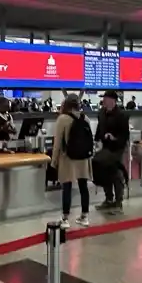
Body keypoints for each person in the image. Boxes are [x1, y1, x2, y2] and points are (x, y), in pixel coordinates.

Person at [52, 94, 93, 227]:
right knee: (83, 187)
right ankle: (85, 216)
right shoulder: (85, 118)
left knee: (67, 187)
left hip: (67, 158)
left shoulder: (62, 119)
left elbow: (57, 143)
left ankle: (65, 218)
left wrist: (54, 161)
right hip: (83, 158)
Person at [93, 90, 129, 211]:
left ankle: (118, 200)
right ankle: (109, 198)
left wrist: (115, 138)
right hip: (105, 147)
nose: (104, 101)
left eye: (106, 99)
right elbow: (100, 128)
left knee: (114, 171)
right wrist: (96, 139)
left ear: (113, 101)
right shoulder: (102, 113)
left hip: (117, 148)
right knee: (102, 169)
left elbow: (125, 136)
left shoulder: (121, 116)